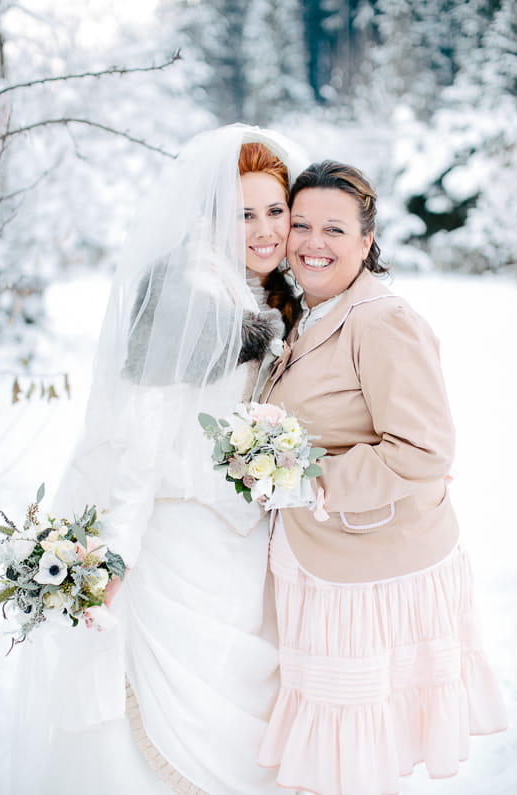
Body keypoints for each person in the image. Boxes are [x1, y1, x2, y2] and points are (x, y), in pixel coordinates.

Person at [0, 124, 306, 795]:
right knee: (172, 725)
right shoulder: (187, 296)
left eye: (275, 210)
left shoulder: (259, 291)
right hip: (178, 541)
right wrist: (114, 555)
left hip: (242, 544)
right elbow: (141, 437)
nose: (264, 229)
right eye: (243, 213)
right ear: (213, 216)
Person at [257, 161, 507, 795]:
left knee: (347, 749)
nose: (314, 241)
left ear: (367, 241)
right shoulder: (306, 311)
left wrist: (313, 483)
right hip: (319, 559)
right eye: (303, 224)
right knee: (327, 745)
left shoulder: (381, 319)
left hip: (367, 568)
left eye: (335, 229)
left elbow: (423, 449)